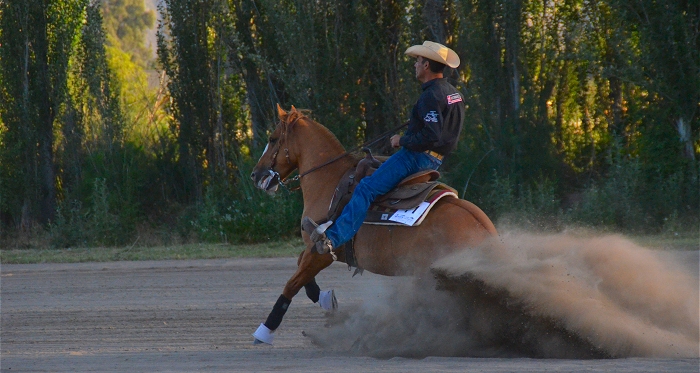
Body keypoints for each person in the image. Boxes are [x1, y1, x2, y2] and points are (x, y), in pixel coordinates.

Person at [303, 41, 465, 254]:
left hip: (416, 157)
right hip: (437, 159)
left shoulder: (430, 96)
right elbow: (442, 132)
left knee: (365, 188)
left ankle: (332, 239)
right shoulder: (454, 94)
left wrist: (402, 141)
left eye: (417, 61)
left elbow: (431, 135)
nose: (415, 65)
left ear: (426, 66)